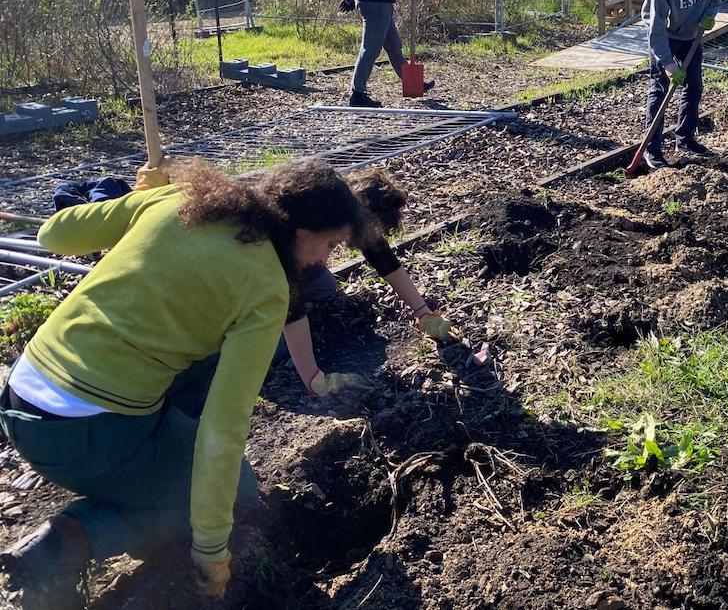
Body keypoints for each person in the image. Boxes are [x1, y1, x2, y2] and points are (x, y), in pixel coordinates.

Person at [0, 160, 363, 609]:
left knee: (202, 361)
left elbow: (52, 235)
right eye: (329, 244)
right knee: (238, 499)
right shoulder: (267, 289)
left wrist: (139, 201)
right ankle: (73, 539)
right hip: (84, 434)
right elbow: (222, 431)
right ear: (299, 228)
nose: (324, 259)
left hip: (20, 393)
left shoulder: (180, 201)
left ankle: (156, 460)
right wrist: (211, 549)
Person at [282, 167, 454, 396]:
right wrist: (314, 379)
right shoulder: (305, 223)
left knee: (324, 287)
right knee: (277, 345)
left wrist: (423, 312)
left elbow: (382, 257)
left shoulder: (346, 210)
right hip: (249, 283)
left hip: (287, 271)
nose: (373, 237)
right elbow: (291, 304)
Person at [642, 0, 722, 169]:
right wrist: (668, 64)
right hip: (664, 35)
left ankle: (685, 139)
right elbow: (655, 25)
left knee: (694, 87)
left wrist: (710, 14)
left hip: (691, 35)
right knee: (660, 88)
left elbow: (714, 0)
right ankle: (652, 149)